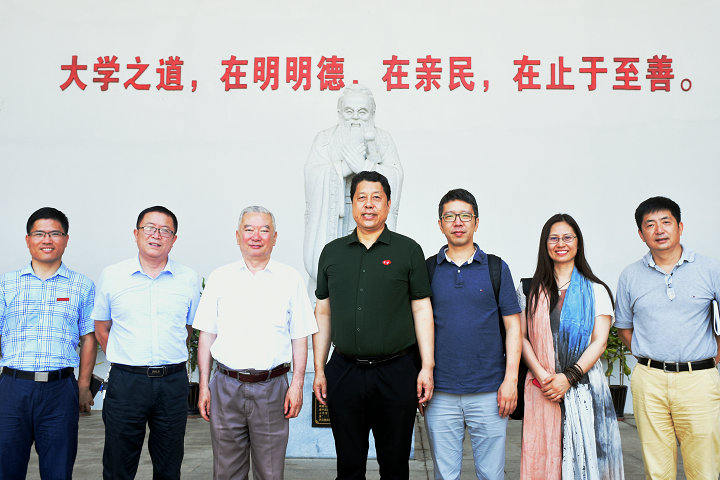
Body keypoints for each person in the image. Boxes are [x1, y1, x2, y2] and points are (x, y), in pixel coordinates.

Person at [312, 170, 434, 480]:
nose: (369, 204)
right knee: (348, 466)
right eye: (361, 198)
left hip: (396, 372)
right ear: (352, 203)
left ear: (388, 204)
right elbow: (323, 312)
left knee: (394, 467)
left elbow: (422, 309)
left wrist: (427, 366)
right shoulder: (332, 252)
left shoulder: (408, 250)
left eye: (376, 198)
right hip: (345, 371)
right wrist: (319, 369)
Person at [194, 206, 318, 480]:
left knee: (270, 472)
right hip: (225, 386)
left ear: (275, 237)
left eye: (264, 230)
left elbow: (300, 336)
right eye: (249, 229)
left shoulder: (290, 279)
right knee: (226, 471)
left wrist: (297, 385)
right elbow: (207, 335)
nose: (256, 236)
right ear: (238, 235)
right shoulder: (220, 278)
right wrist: (203, 386)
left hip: (272, 388)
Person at [92, 206, 202, 480]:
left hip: (172, 383)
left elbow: (187, 330)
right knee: (118, 464)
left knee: (169, 464)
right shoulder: (113, 275)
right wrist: (128, 357)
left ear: (174, 239)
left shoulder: (188, 279)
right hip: (126, 382)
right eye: (150, 228)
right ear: (136, 233)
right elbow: (101, 328)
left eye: (165, 230)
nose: (156, 235)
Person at [615, 196, 720, 480]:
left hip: (699, 380)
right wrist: (649, 355)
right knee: (657, 470)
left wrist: (711, 359)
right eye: (650, 225)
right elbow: (624, 327)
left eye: (666, 222)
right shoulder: (630, 275)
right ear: (641, 234)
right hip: (649, 381)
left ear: (680, 227)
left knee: (704, 469)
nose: (659, 230)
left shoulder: (710, 270)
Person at [424, 189, 522, 480]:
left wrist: (511, 381)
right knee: (445, 475)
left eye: (465, 216)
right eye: (450, 216)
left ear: (476, 222)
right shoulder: (428, 269)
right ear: (440, 224)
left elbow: (513, 327)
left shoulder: (496, 268)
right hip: (440, 393)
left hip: (490, 392)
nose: (458, 222)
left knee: (491, 474)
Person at [519, 213, 623, 480]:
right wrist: (544, 377)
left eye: (567, 237)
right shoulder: (529, 290)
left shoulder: (596, 290)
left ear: (578, 243)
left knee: (585, 464)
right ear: (545, 244)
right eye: (553, 238)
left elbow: (599, 341)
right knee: (543, 457)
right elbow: (522, 337)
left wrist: (568, 377)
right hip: (542, 387)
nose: (560, 243)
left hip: (584, 388)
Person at [0, 207, 96, 479]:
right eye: (39, 234)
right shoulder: (6, 284)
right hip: (13, 388)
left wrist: (83, 386)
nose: (47, 240)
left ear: (66, 239)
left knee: (58, 470)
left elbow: (88, 338)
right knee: (6, 468)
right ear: (28, 239)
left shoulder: (82, 285)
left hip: (60, 390)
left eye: (55, 233)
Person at [304, 84, 403, 290]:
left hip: (370, 217)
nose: (355, 118)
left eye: (362, 111)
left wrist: (364, 166)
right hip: (336, 218)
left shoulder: (383, 139)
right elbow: (312, 176)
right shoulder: (325, 139)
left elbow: (395, 176)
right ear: (340, 112)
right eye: (349, 111)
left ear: (372, 113)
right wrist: (343, 168)